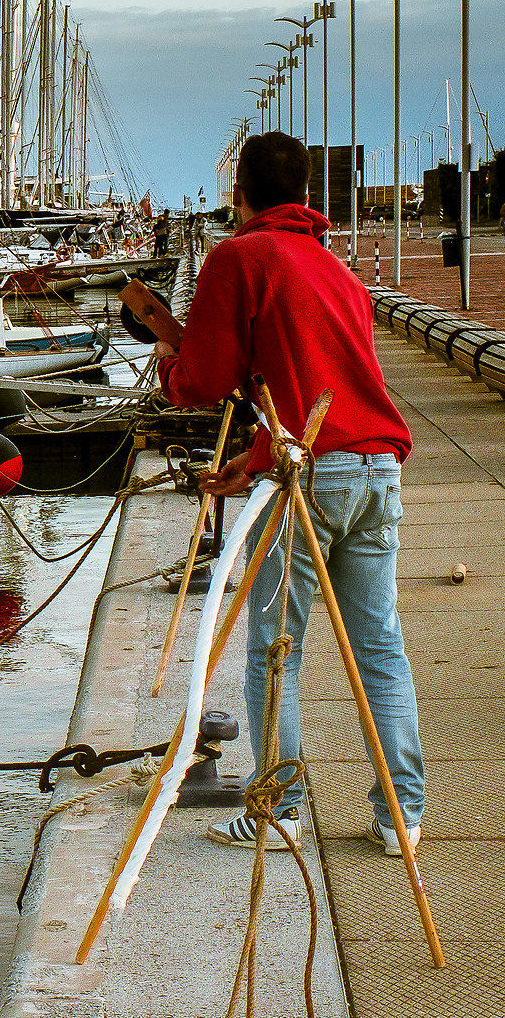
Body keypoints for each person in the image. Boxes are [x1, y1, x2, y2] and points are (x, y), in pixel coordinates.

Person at [142, 131, 424, 854]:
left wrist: (170, 361)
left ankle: (277, 809)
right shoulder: (338, 274)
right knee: (379, 649)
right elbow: (317, 385)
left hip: (312, 478)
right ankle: (403, 817)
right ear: (307, 195)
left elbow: (206, 380)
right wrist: (255, 458)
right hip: (375, 468)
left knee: (277, 650)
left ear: (239, 192)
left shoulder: (238, 257)